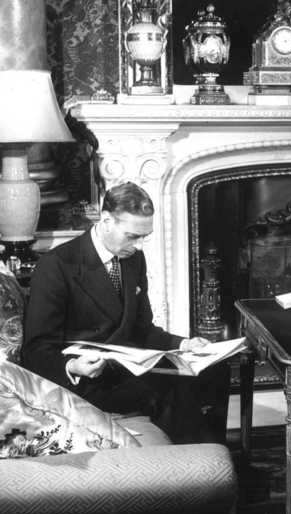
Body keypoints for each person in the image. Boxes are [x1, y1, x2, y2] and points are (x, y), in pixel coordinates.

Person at [21, 182, 220, 444]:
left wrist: (184, 344)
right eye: (132, 236)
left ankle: (205, 465)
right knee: (176, 391)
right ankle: (195, 468)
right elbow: (35, 350)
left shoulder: (132, 259)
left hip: (124, 370)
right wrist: (72, 366)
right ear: (105, 220)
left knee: (212, 372)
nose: (138, 246)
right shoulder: (57, 265)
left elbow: (143, 329)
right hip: (83, 382)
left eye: (143, 237)